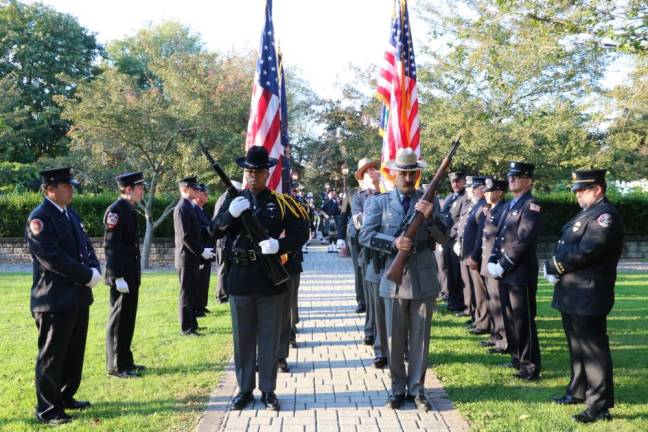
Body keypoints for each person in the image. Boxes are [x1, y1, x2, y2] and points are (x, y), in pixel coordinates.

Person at [213, 146, 308, 411]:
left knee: (268, 338)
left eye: (257, 172)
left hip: (270, 280)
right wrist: (230, 215)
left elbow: (301, 234)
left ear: (267, 174)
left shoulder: (281, 203)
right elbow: (213, 231)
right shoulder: (233, 202)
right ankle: (244, 390)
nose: (252, 177)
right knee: (243, 340)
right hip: (241, 278)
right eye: (248, 172)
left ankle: (268, 390)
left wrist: (279, 246)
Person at [360, 148, 448, 411]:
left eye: (412, 173)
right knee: (393, 339)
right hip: (394, 277)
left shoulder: (431, 201)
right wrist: (394, 242)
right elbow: (365, 236)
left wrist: (431, 217)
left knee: (420, 338)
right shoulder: (379, 202)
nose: (408, 178)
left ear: (418, 174)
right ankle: (397, 389)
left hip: (423, 275)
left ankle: (418, 390)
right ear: (393, 174)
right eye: (403, 173)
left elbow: (445, 238)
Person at [545, 169, 623, 423]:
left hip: (589, 292)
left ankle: (599, 406)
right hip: (573, 293)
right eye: (576, 191)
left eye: (582, 190)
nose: (577, 195)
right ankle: (577, 391)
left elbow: (587, 250)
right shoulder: (587, 212)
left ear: (597, 189)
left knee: (593, 350)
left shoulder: (604, 216)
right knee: (577, 347)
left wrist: (555, 265)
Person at [26, 167, 102, 425]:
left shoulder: (71, 214)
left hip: (77, 297)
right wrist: (86, 275)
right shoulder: (40, 218)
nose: (72, 189)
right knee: (52, 356)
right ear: (50, 189)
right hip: (53, 300)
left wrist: (95, 269)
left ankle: (65, 396)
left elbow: (86, 248)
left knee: (73, 352)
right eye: (66, 185)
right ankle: (48, 409)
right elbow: (53, 259)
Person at [488, 162, 542, 381]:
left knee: (523, 320)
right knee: (509, 317)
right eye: (511, 177)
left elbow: (524, 239)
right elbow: (498, 236)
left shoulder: (531, 205)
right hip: (506, 272)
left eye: (517, 177)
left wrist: (504, 263)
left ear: (528, 181)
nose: (512, 180)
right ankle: (516, 357)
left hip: (520, 272)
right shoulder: (511, 204)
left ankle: (530, 365)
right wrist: (493, 259)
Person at [104, 172, 147, 379]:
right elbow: (111, 246)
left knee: (128, 319)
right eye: (139, 187)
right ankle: (115, 365)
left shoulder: (129, 209)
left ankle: (126, 360)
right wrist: (117, 276)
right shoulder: (116, 211)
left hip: (130, 275)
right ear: (128, 189)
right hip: (121, 276)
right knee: (119, 319)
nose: (142, 191)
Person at [351, 158, 384, 363]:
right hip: (369, 254)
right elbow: (360, 224)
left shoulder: (389, 195)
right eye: (366, 172)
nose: (371, 173)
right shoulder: (359, 198)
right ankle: (371, 332)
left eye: (373, 169)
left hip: (389, 254)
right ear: (362, 178)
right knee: (372, 301)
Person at [173, 176, 216, 336]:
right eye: (193, 189)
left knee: (192, 293)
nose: (196, 191)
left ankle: (193, 324)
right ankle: (186, 327)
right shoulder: (181, 208)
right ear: (185, 189)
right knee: (186, 294)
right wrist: (201, 251)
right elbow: (185, 236)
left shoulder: (188, 206)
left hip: (192, 257)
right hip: (186, 258)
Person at [476, 179, 509, 354]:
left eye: (490, 191)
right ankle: (495, 335)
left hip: (495, 262)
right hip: (486, 261)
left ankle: (503, 340)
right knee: (491, 301)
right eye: (486, 191)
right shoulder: (493, 209)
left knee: (498, 302)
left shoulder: (503, 209)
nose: (486, 194)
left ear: (500, 192)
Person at [461, 176, 490, 335]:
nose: (472, 190)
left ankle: (484, 322)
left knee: (480, 291)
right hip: (470, 253)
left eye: (475, 187)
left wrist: (475, 255)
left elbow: (480, 234)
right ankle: (478, 318)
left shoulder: (483, 206)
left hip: (475, 255)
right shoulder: (476, 205)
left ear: (483, 189)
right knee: (475, 290)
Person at [440, 172, 469, 312]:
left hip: (456, 239)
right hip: (446, 240)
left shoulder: (466, 197)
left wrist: (451, 234)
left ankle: (459, 301)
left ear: (464, 181)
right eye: (453, 181)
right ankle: (452, 299)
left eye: (458, 181)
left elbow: (462, 220)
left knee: (457, 273)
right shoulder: (450, 198)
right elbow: (442, 216)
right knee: (448, 270)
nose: (455, 184)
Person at [193, 182, 214, 317]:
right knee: (198, 281)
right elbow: (195, 231)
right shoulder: (193, 210)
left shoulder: (201, 210)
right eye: (203, 193)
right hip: (199, 250)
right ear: (196, 194)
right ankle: (196, 308)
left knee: (204, 280)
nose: (207, 195)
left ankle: (201, 305)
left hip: (207, 249)